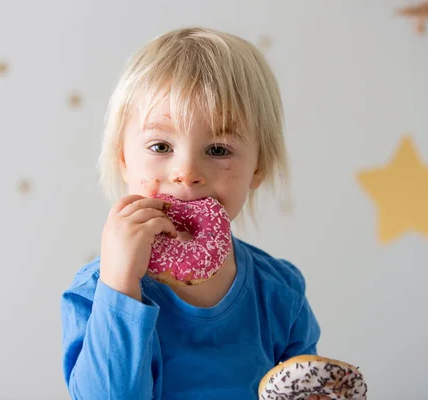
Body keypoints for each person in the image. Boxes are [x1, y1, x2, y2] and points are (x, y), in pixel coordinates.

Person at [60, 26, 325, 399]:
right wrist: (120, 286)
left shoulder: (281, 295)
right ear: (123, 159)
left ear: (258, 167)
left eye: (218, 149)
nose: (186, 172)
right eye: (160, 145)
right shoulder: (94, 292)